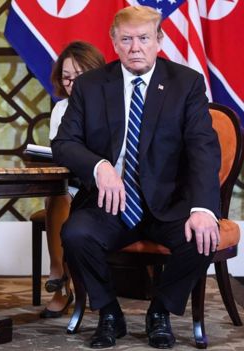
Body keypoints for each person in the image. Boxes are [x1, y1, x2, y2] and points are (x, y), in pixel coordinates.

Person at [51, 5, 220, 349]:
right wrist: (100, 168)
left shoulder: (185, 83)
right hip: (110, 202)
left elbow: (203, 148)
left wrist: (203, 208)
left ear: (159, 40)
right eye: (126, 39)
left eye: (143, 38)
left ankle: (160, 311)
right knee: (76, 233)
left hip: (169, 202)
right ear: (114, 42)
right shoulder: (90, 85)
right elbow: (64, 142)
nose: (135, 47)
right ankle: (109, 312)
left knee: (202, 239)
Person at [40, 41, 105, 319]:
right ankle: (60, 278)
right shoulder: (61, 109)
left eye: (79, 76)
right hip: (73, 183)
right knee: (57, 194)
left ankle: (66, 282)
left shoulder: (111, 105)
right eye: (66, 77)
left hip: (105, 185)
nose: (71, 83)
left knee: (64, 197)